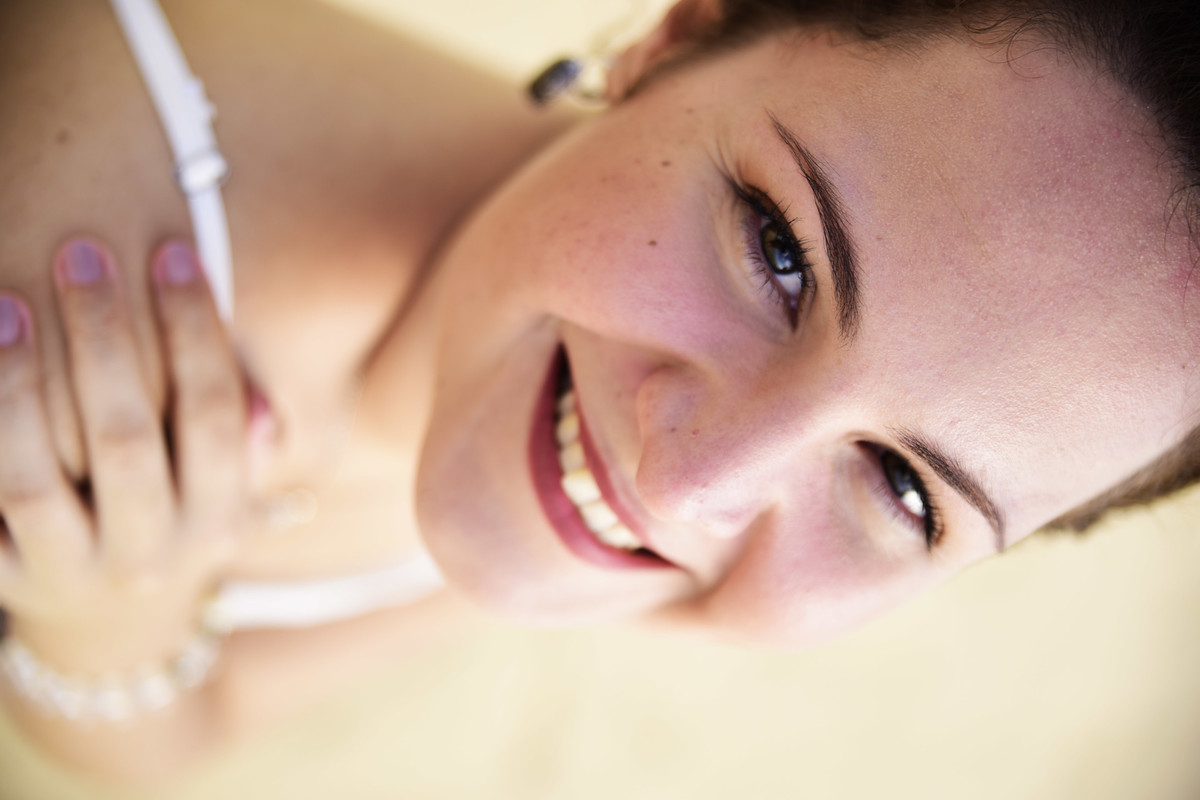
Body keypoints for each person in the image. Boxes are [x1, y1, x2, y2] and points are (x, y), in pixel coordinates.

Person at [0, 0, 1197, 784]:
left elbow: (169, 731)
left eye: (905, 487)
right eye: (779, 249)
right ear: (678, 36)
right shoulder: (36, 237)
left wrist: (110, 616)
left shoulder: (544, 443)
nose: (695, 481)